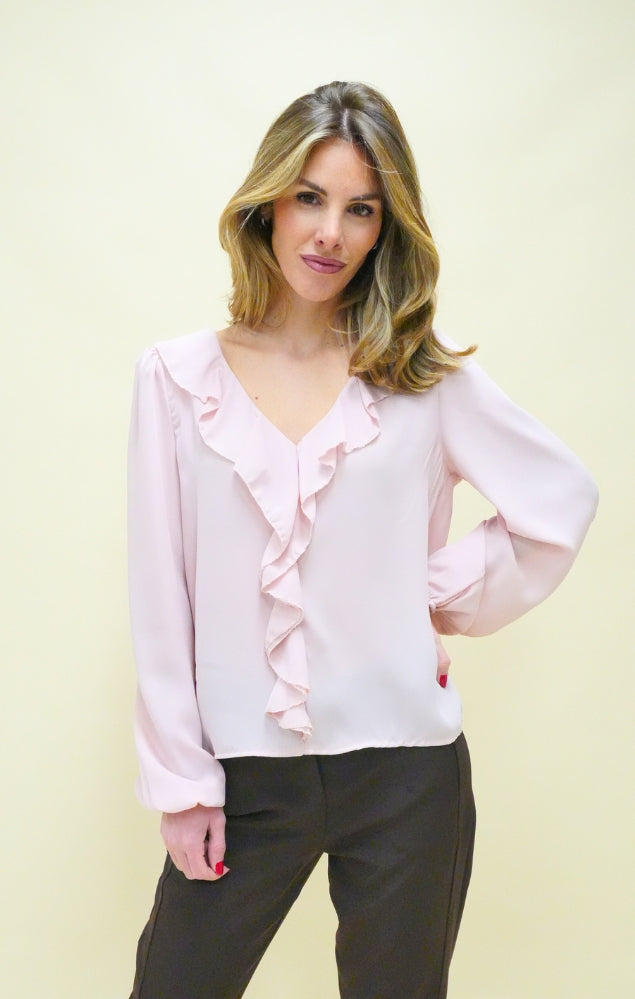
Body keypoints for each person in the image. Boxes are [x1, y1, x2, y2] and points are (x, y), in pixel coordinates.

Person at [127, 81, 598, 999]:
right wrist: (181, 783)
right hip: (242, 774)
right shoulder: (177, 380)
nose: (329, 233)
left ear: (386, 227)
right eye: (309, 197)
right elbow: (160, 591)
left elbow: (559, 500)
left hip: (406, 774)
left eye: (360, 209)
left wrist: (429, 593)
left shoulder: (420, 373)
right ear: (267, 202)